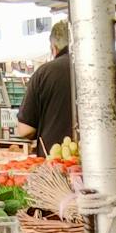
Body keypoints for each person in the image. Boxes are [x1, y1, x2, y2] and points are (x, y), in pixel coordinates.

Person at [16, 19, 74, 153]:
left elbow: (25, 130)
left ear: (53, 47)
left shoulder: (43, 73)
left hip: (54, 165)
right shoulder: (97, 69)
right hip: (99, 160)